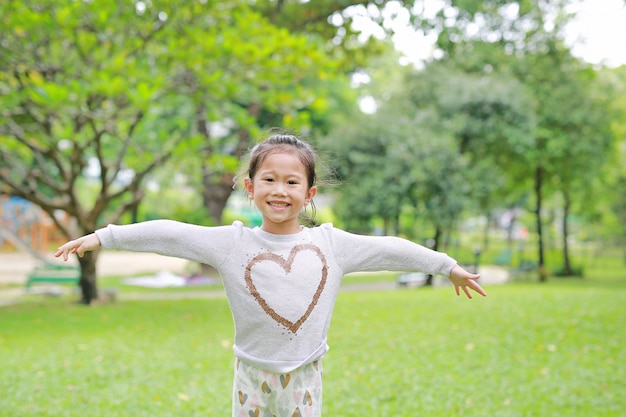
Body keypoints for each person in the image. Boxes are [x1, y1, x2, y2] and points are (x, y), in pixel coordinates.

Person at [55, 133, 486, 417]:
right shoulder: (232, 243)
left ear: (309, 193)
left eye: (292, 182)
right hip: (251, 376)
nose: (280, 190)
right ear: (250, 187)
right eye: (269, 179)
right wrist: (103, 237)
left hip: (304, 374)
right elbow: (170, 235)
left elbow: (390, 248)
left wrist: (445, 266)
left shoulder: (330, 246)